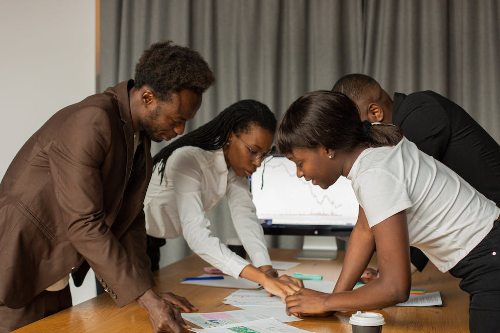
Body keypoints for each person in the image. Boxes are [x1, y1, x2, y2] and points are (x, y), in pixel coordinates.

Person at [0, 40, 215, 333]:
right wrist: (148, 300)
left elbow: (130, 221)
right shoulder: (92, 121)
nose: (180, 131)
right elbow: (84, 223)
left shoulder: (138, 136)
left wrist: (147, 292)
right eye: (177, 120)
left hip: (54, 269)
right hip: (16, 265)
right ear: (148, 98)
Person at [278, 91, 500, 333]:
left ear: (328, 148)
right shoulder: (373, 152)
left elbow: (394, 288)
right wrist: (334, 300)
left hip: (490, 264)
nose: (300, 173)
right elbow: (364, 231)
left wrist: (325, 301)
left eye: (299, 163)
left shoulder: (374, 175)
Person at [332, 73, 500, 274]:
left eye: (354, 130)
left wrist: (391, 277)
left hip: (490, 240)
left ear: (375, 113)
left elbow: (412, 204)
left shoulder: (419, 113)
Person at [144, 100, 303, 300]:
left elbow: (245, 217)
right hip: (123, 241)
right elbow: (197, 236)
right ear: (229, 137)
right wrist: (262, 279)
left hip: (151, 242)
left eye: (264, 155)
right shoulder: (187, 160)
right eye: (253, 151)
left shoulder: (236, 170)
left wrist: (267, 270)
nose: (258, 163)